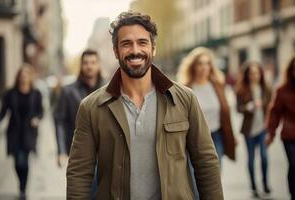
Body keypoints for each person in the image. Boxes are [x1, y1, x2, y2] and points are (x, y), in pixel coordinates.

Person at [67, 11, 223, 200]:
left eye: (142, 42)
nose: (135, 50)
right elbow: (79, 173)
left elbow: (206, 162)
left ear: (153, 48)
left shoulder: (185, 99)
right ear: (116, 51)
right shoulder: (91, 107)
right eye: (126, 44)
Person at [177, 47, 236, 166]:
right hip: (195, 139)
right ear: (193, 66)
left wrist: (231, 135)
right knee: (195, 176)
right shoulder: (185, 88)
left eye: (207, 63)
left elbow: (225, 113)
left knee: (215, 175)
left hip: (216, 136)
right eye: (200, 63)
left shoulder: (217, 85)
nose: (204, 67)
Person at [0, 64, 43, 198]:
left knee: (24, 161)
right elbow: (3, 110)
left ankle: (23, 188)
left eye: (26, 75)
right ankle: (21, 185)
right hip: (14, 132)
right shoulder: (10, 93)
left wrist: (37, 119)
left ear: (30, 77)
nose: (24, 78)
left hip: (29, 133)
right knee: (17, 162)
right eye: (22, 75)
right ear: (18, 77)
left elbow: (40, 111)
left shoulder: (36, 93)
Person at [54, 49, 105, 166]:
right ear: (81, 65)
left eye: (93, 62)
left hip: (104, 153)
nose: (89, 66)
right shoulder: (68, 91)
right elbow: (59, 121)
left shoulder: (109, 90)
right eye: (86, 63)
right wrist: (61, 151)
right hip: (77, 153)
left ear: (98, 65)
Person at [235, 61, 272, 197]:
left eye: (257, 73)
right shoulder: (241, 89)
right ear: (247, 75)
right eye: (251, 73)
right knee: (251, 158)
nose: (254, 76)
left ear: (260, 74)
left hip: (263, 128)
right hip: (248, 130)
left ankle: (266, 184)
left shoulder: (266, 88)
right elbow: (238, 109)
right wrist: (249, 106)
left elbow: (272, 106)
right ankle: (253, 187)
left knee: (264, 157)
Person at [266, 55, 295, 200]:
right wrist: (271, 133)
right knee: (294, 165)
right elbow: (274, 113)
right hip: (290, 135)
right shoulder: (282, 90)